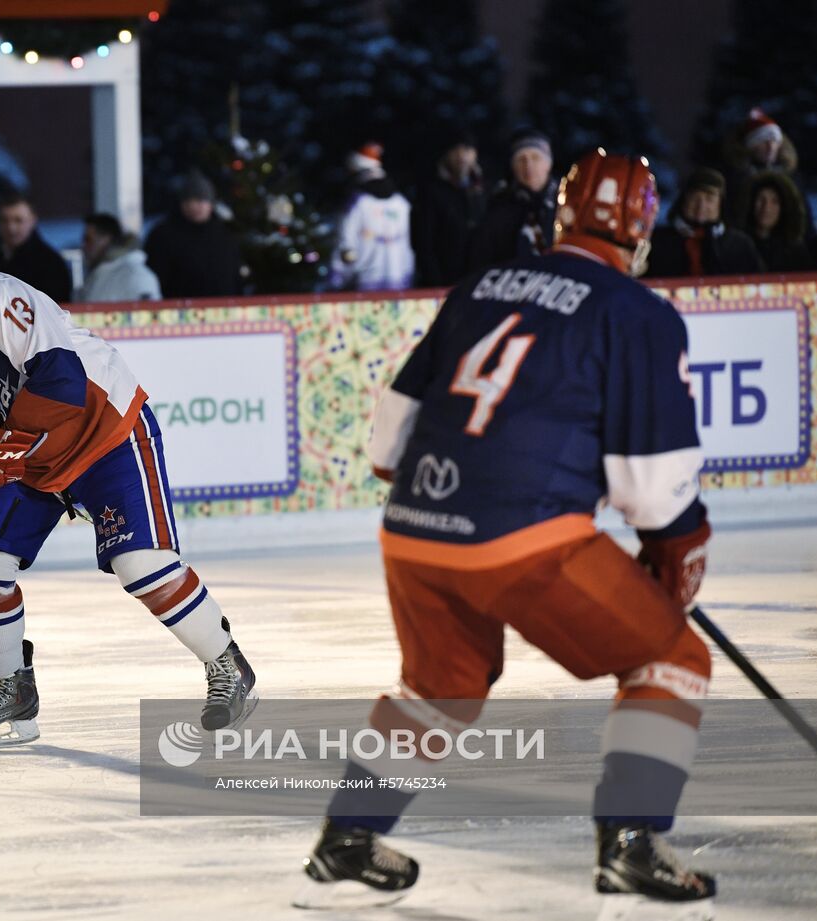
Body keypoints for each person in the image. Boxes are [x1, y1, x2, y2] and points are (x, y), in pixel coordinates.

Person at [296, 151, 716, 911]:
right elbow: (653, 494)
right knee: (672, 656)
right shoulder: (638, 311)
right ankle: (630, 841)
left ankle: (349, 835)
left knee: (441, 688)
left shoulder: (480, 285)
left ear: (562, 214)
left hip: (414, 533)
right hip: (524, 540)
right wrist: (675, 554)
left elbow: (386, 445)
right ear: (641, 226)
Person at [0, 223, 257, 748]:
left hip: (103, 432)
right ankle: (12, 689)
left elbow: (62, 381)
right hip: (28, 459)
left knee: (141, 565)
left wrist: (7, 439)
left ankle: (227, 666)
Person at [466, 128, 557, 275]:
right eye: (521, 159)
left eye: (535, 158)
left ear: (548, 164)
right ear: (513, 166)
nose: (528, 166)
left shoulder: (567, 205)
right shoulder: (498, 207)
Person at [645, 168, 764, 278]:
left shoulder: (740, 245)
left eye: (709, 199)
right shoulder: (657, 241)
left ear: (720, 204)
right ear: (683, 200)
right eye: (694, 198)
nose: (701, 206)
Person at [143, 170, 243, 298]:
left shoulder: (226, 235)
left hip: (222, 310)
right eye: (188, 201)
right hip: (178, 311)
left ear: (210, 204)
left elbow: (235, 276)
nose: (194, 206)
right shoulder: (163, 236)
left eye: (200, 201)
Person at [329, 143, 415, 292]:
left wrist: (337, 278)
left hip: (363, 286)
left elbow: (345, 242)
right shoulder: (401, 203)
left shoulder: (357, 202)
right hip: (399, 281)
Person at [720, 108, 815, 236]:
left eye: (775, 140)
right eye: (763, 141)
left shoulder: (791, 178)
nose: (770, 146)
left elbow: (804, 219)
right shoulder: (734, 178)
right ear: (750, 145)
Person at [411, 129, 485, 288]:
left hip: (480, 283)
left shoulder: (485, 189)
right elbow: (424, 243)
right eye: (455, 149)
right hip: (443, 284)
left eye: (467, 149)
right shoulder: (431, 192)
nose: (461, 155)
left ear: (475, 154)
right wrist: (435, 283)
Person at [0, 193, 73, 305]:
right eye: (4, 220)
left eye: (18, 220)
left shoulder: (50, 263)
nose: (11, 228)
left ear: (33, 220)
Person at [78, 213, 162, 303]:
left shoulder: (136, 274)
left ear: (106, 239)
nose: (83, 246)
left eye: (88, 239)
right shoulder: (98, 275)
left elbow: (149, 314)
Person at [743, 172, 813, 272]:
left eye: (775, 201)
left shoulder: (796, 252)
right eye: (760, 199)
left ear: (784, 207)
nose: (766, 208)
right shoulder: (737, 248)